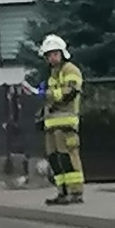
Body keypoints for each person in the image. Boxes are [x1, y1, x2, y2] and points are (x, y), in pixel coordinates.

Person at [39, 34, 84, 206]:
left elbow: (70, 93)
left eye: (55, 53)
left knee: (68, 157)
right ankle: (62, 191)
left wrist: (49, 94)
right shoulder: (53, 74)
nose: (52, 57)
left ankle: (76, 192)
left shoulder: (71, 70)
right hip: (52, 124)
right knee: (54, 158)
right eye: (49, 55)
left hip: (66, 124)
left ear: (62, 53)